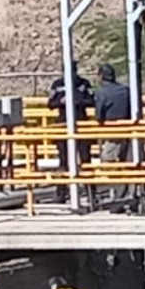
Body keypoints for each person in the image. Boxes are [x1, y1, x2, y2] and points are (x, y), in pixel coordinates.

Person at [47, 62, 96, 202]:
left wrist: (78, 101)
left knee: (86, 160)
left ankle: (90, 192)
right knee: (63, 161)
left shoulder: (84, 83)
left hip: (81, 127)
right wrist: (61, 101)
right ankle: (61, 193)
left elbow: (92, 100)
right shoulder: (57, 84)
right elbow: (50, 104)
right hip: (63, 126)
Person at [95, 64, 135, 213]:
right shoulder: (125, 90)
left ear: (101, 76)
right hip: (128, 131)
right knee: (127, 164)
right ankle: (126, 194)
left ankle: (119, 196)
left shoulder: (102, 92)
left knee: (108, 161)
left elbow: (99, 115)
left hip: (112, 132)